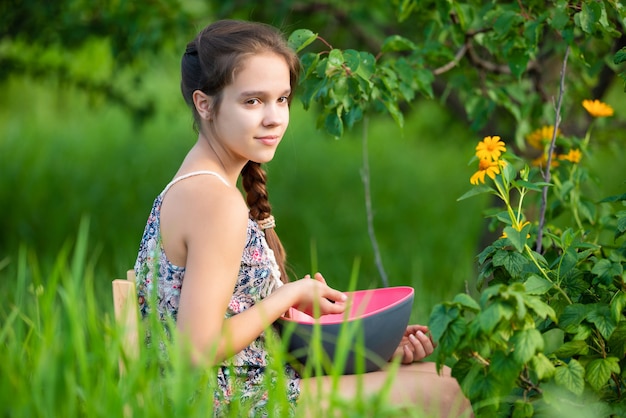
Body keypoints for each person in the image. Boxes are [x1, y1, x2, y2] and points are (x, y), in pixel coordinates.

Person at [134, 19, 472, 417]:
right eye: (252, 101)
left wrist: (368, 349)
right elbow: (198, 348)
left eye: (282, 99)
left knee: (434, 374)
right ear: (204, 104)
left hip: (241, 387)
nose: (275, 118)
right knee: (446, 392)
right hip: (223, 403)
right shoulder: (215, 203)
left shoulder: (196, 187)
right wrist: (289, 296)